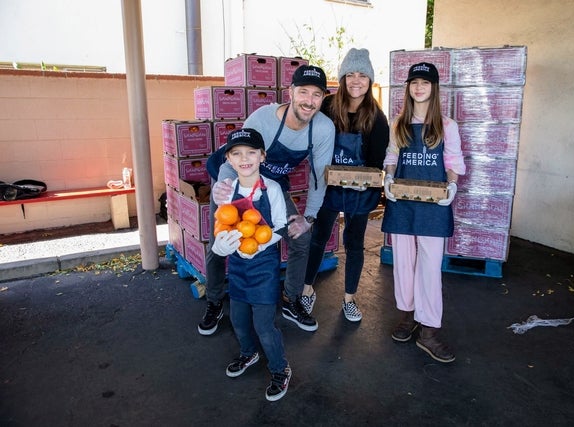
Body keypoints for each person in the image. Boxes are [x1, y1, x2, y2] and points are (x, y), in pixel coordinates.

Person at [199, 65, 335, 335]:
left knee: (302, 237)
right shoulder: (264, 119)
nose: (309, 100)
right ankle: (214, 300)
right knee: (221, 241)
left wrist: (308, 218)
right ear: (291, 92)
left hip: (271, 183)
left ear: (323, 98)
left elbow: (320, 176)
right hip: (233, 176)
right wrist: (223, 190)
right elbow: (240, 156)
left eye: (316, 94)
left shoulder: (323, 129)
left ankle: (291, 299)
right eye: (303, 92)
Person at [381, 62, 466, 363]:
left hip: (433, 205)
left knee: (429, 267)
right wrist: (388, 178)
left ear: (434, 88)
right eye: (414, 82)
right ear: (408, 88)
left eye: (425, 82)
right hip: (402, 202)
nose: (419, 87)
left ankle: (429, 329)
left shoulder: (447, 125)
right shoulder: (398, 123)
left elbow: (453, 160)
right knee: (403, 263)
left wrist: (451, 187)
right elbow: (392, 155)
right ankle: (408, 316)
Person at [301, 48, 389, 322]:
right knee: (319, 237)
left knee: (354, 242)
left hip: (360, 191)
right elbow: (310, 140)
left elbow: (376, 163)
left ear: (370, 80)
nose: (356, 80)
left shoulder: (377, 118)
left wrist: (365, 181)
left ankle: (349, 298)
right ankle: (306, 290)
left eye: (362, 75)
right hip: (328, 187)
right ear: (342, 78)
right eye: (350, 74)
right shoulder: (327, 106)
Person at [210, 128, 291, 401]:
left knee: (265, 326)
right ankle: (249, 353)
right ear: (229, 161)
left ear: (262, 156)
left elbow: (281, 227)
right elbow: (221, 224)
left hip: (264, 267)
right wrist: (219, 244)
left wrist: (260, 243)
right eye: (237, 154)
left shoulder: (273, 188)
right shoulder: (225, 191)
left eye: (251, 152)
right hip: (238, 266)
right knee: (238, 319)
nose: (244, 159)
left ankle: (280, 368)